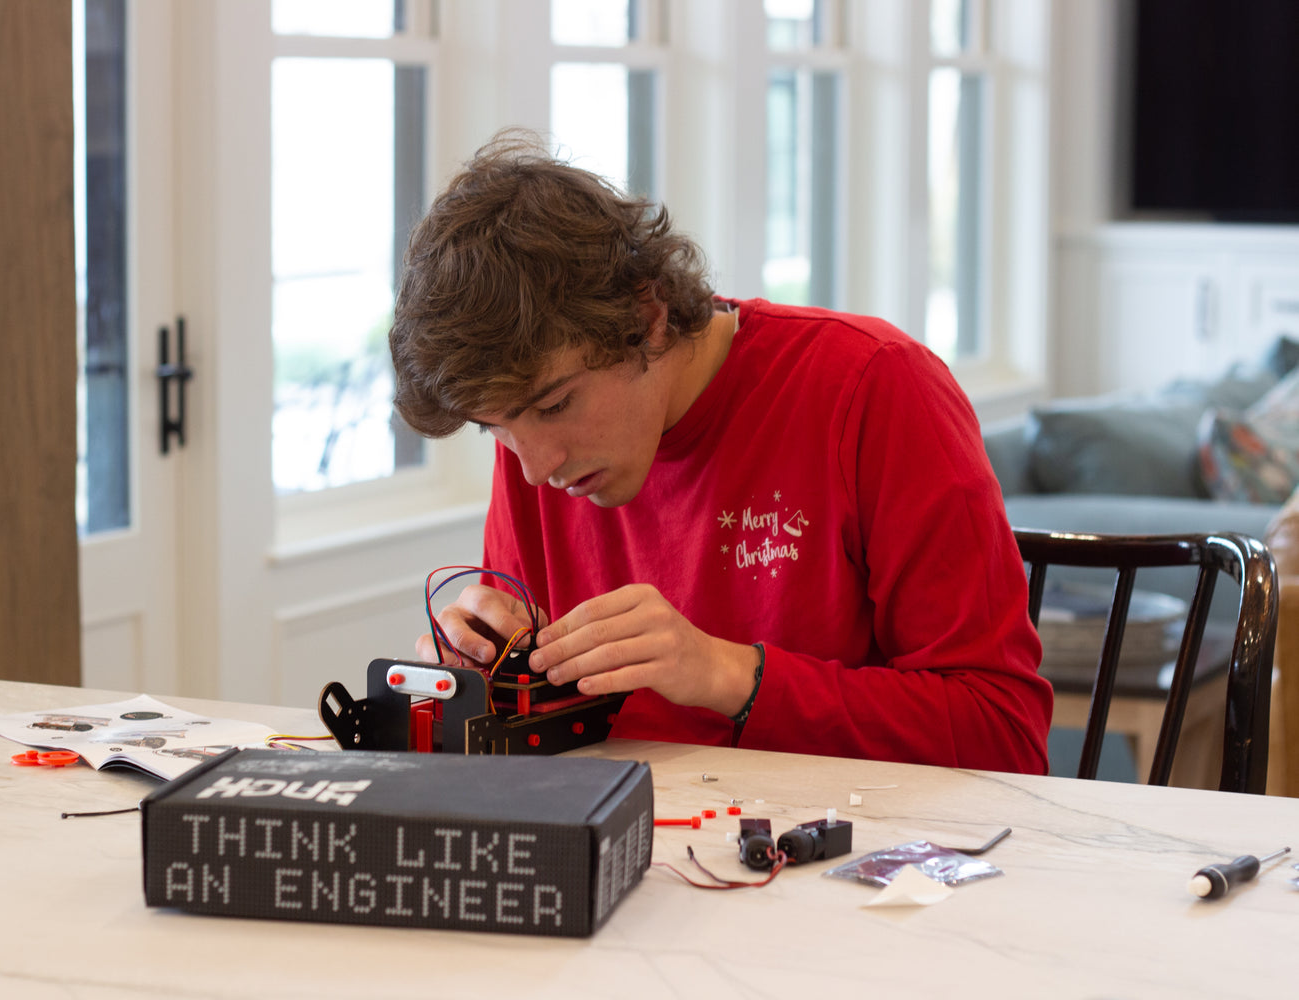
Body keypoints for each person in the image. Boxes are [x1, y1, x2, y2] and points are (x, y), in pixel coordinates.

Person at [389, 132, 1053, 774]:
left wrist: (729, 674)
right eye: (495, 429)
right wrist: (484, 688)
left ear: (646, 318)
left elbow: (1004, 736)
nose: (536, 467)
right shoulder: (536, 449)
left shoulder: (873, 387)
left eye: (556, 404)